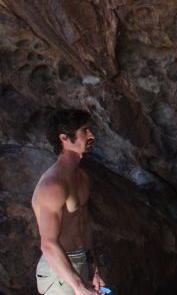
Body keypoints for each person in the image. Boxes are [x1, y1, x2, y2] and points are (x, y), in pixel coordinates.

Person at [31, 109, 106, 295]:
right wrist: (78, 286)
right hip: (58, 271)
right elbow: (48, 244)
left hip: (80, 263)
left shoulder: (82, 177)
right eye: (84, 131)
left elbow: (84, 224)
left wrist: (93, 269)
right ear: (64, 138)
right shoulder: (52, 185)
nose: (91, 135)